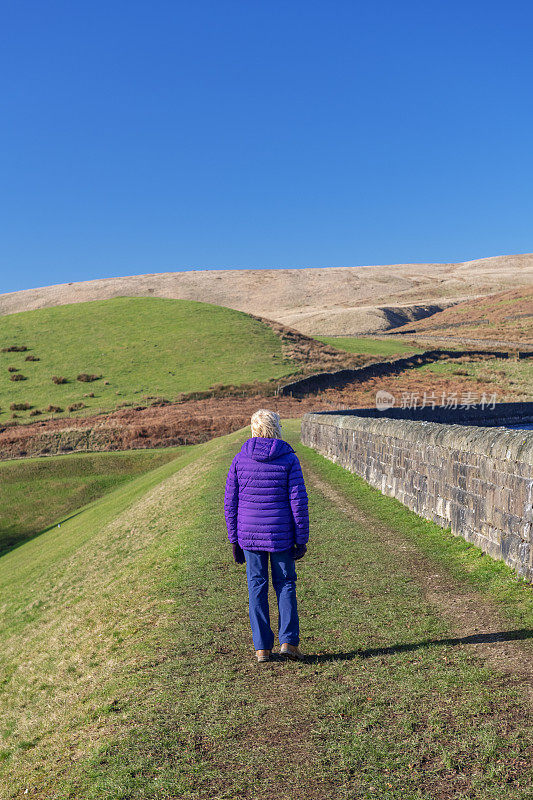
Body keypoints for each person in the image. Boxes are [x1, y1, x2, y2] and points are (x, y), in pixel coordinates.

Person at [224, 409, 309, 663]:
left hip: (249, 534)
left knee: (256, 586)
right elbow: (298, 502)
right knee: (285, 584)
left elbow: (230, 502)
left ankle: (262, 648)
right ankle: (289, 643)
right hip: (281, 533)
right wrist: (301, 538)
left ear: (254, 428)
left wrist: (234, 538)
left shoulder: (240, 459)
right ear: (276, 428)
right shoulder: (289, 459)